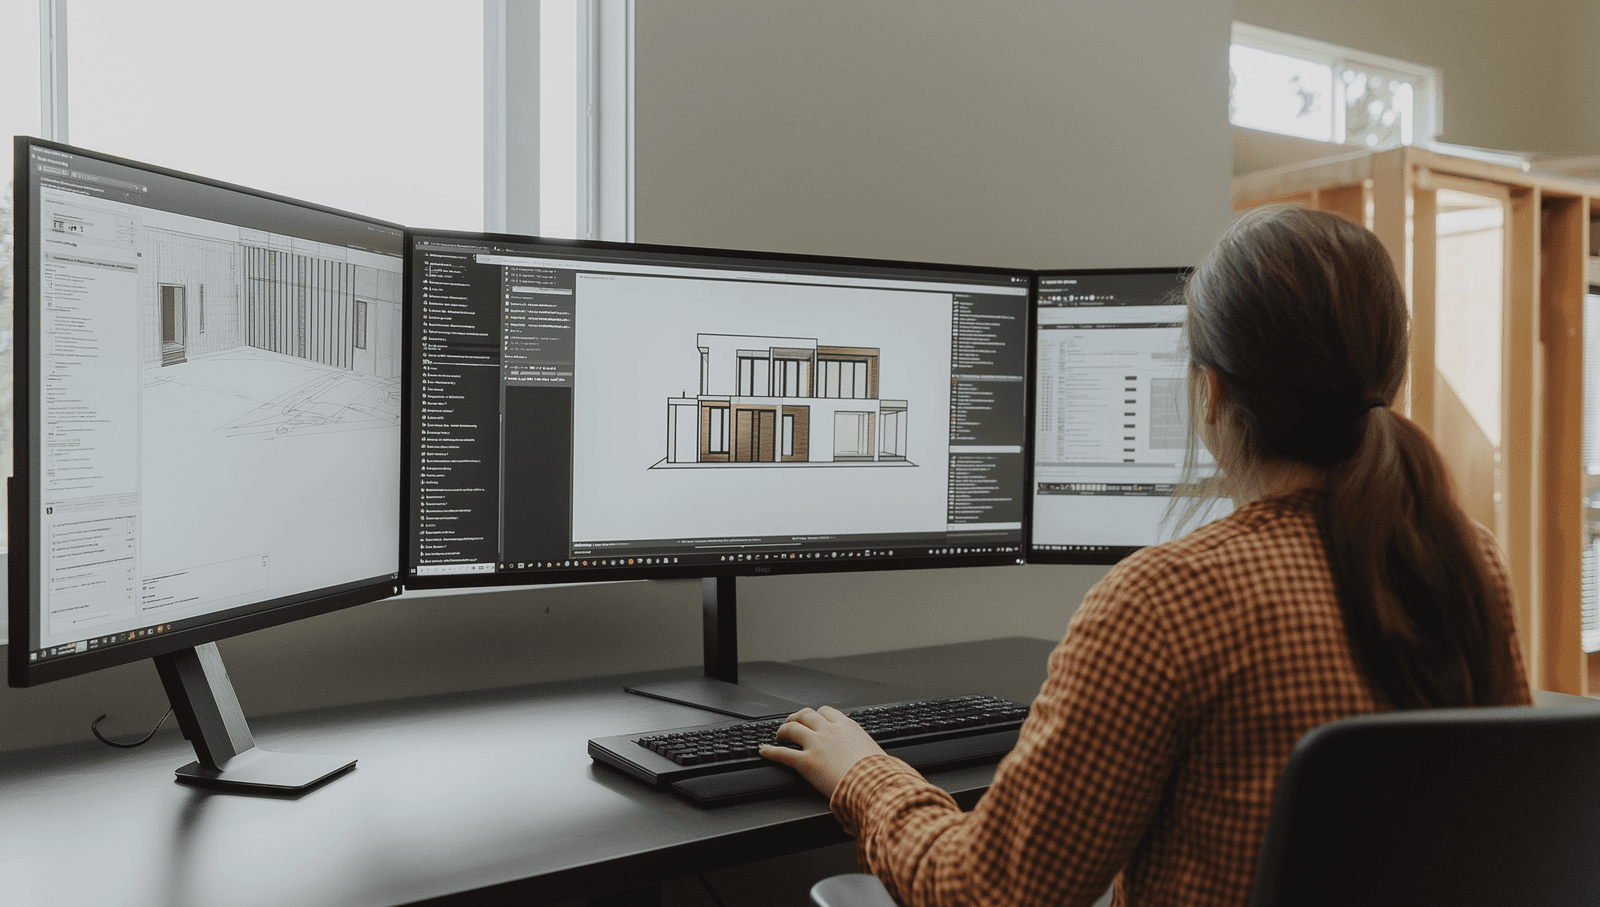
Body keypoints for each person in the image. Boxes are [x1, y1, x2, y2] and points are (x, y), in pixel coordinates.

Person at [759, 205, 1532, 907]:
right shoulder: (1469, 565)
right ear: (1388, 377)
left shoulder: (1167, 599)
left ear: (1211, 395)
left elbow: (989, 893)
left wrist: (861, 771)